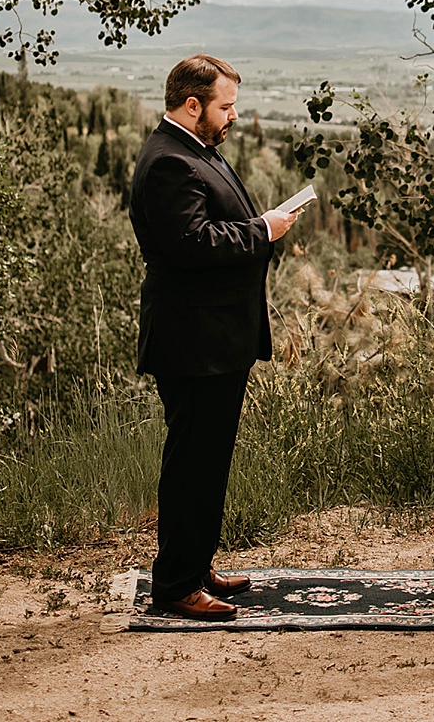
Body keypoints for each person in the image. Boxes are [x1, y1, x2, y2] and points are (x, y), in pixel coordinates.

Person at [130, 54, 304, 621]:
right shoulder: (168, 163)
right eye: (225, 106)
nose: (233, 116)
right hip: (192, 339)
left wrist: (263, 224)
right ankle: (177, 585)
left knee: (209, 460)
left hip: (216, 336)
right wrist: (265, 229)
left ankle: (196, 561)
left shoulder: (196, 152)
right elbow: (192, 244)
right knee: (192, 463)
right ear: (191, 105)